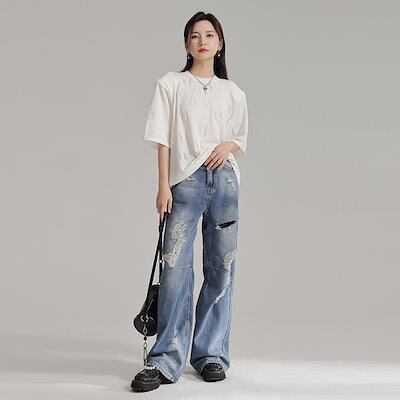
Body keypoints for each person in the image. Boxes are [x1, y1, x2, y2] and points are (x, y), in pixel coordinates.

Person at [131, 11, 248, 392]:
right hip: (184, 183)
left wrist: (228, 146)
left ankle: (210, 354)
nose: (202, 41)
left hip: (225, 182)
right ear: (186, 44)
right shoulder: (170, 84)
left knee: (221, 267)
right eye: (195, 35)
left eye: (210, 35)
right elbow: (162, 138)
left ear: (220, 43)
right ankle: (166, 359)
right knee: (175, 270)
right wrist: (162, 185)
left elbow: (239, 138)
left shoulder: (233, 92)